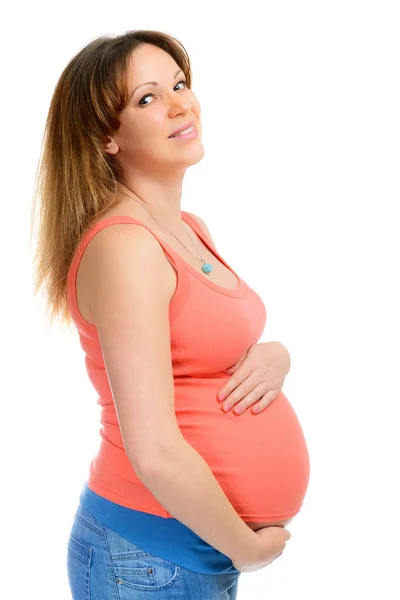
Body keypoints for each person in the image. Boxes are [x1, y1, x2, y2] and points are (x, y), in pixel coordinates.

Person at [30, 29, 309, 599]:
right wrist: (246, 547)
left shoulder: (188, 230)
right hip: (147, 559)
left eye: (180, 84)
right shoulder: (124, 246)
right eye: (148, 97)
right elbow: (153, 449)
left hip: (184, 557)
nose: (182, 102)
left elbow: (205, 354)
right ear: (108, 137)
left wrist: (276, 356)